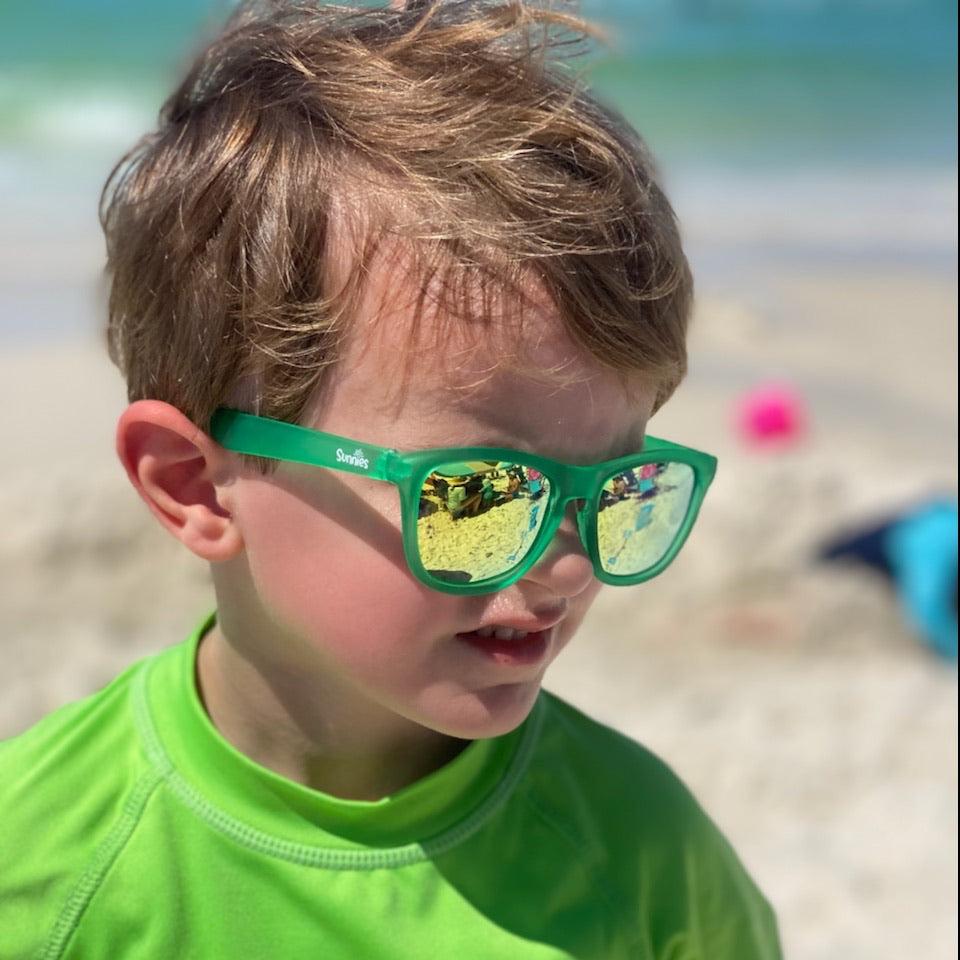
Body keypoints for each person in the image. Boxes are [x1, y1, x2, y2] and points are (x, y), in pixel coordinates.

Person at [0, 2, 782, 957]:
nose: (571, 570)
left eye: (616, 489)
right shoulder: (45, 871)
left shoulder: (643, 854)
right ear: (195, 487)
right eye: (481, 494)